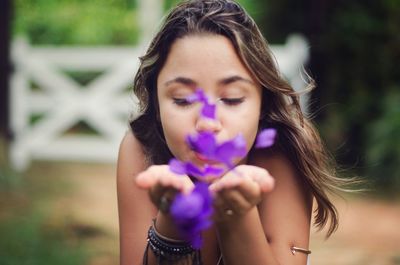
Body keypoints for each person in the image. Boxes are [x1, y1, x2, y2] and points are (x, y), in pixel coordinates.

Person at [117, 0, 344, 264]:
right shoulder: (140, 149)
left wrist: (237, 216)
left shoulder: (284, 146)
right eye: (182, 99)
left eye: (233, 99)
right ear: (157, 105)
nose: (207, 123)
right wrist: (172, 223)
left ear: (262, 103)